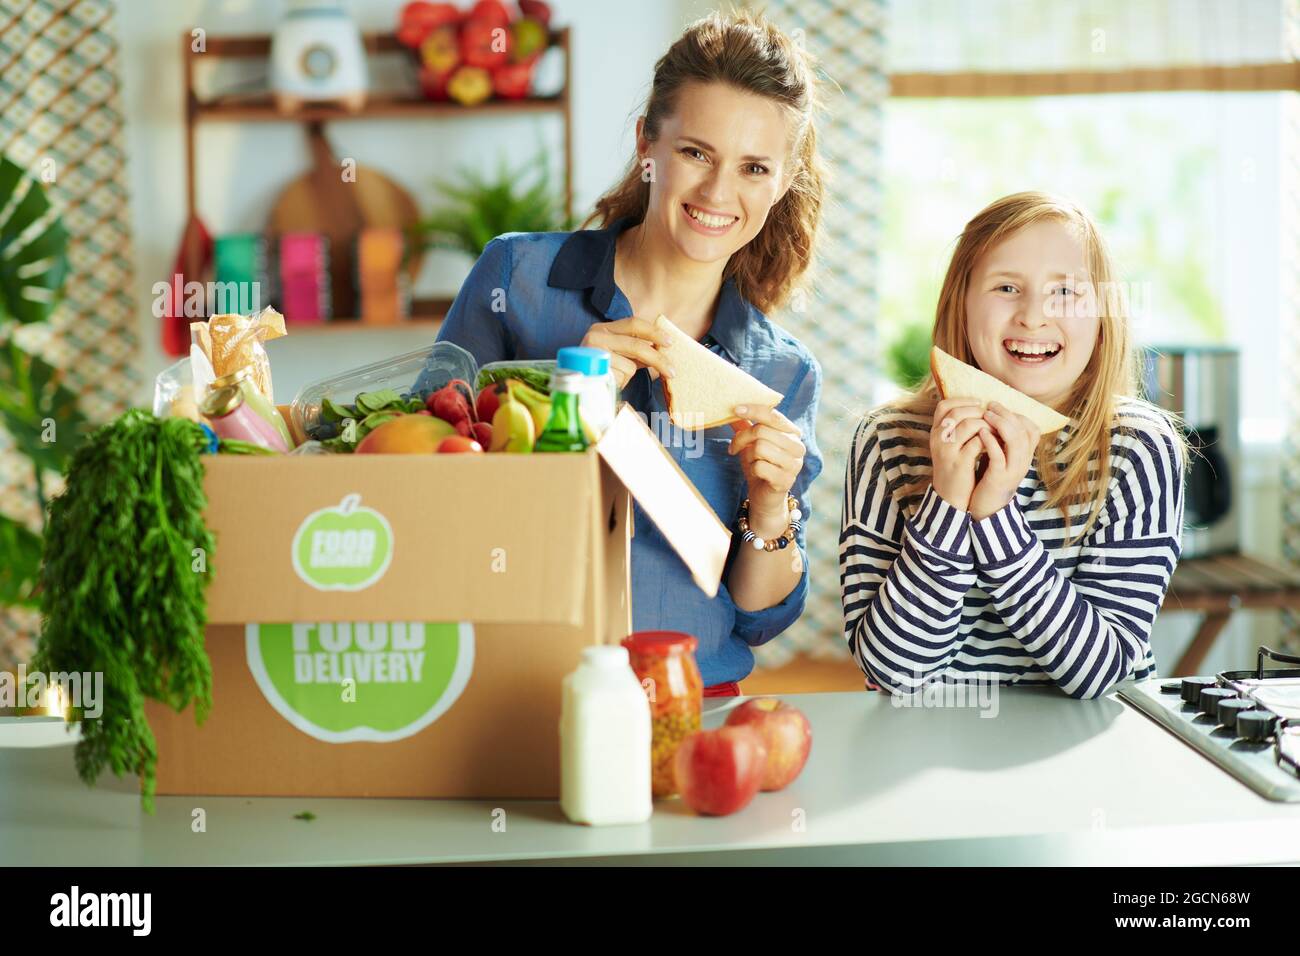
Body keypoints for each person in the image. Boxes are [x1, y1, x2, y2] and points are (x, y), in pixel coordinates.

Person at [436, 12, 825, 693]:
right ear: (649, 140)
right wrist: (548, 398)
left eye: (754, 167)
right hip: (513, 696)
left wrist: (769, 508)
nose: (717, 193)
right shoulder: (514, 279)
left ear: (784, 180)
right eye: (696, 153)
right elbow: (423, 501)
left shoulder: (782, 372)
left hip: (697, 703)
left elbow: (760, 617)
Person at [841, 192, 1189, 699]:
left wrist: (995, 514)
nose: (1033, 316)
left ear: (1102, 316)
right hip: (925, 743)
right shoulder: (888, 439)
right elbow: (895, 671)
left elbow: (1101, 673)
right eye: (1007, 287)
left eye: (1065, 293)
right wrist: (947, 503)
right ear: (961, 302)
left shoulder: (1139, 447)